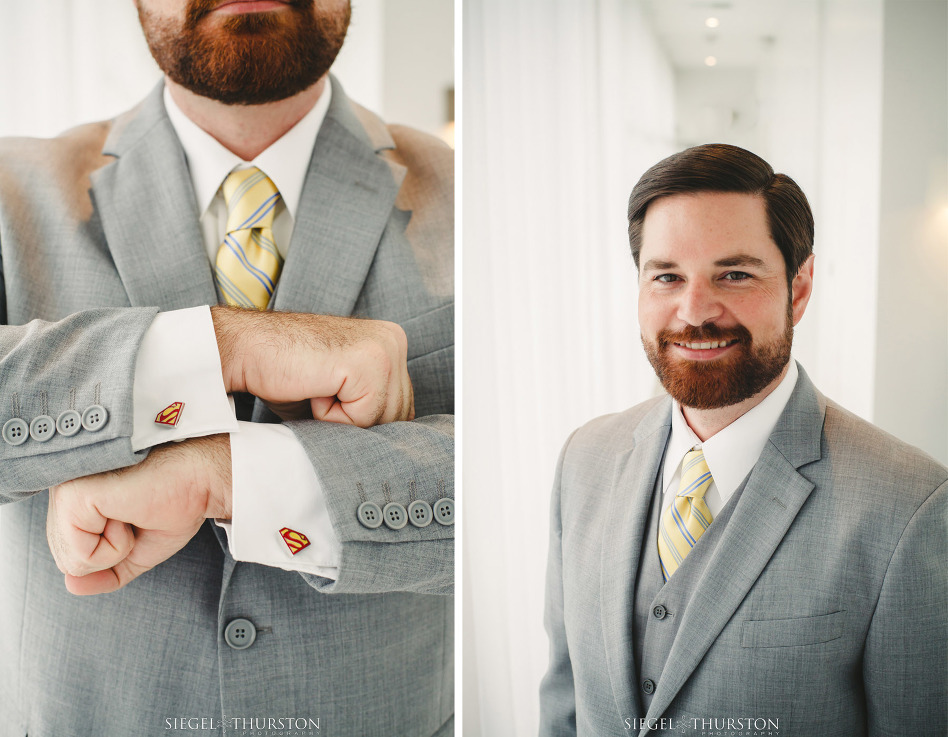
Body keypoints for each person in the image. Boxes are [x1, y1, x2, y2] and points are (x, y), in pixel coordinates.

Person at [0, 2, 453, 735]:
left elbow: (526, 488)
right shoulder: (7, 189)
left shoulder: (481, 197)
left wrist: (228, 474)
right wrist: (229, 347)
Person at [539, 144, 946, 736]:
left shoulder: (910, 507)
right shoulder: (584, 458)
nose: (695, 311)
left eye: (734, 274)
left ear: (799, 288)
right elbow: (563, 695)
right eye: (667, 276)